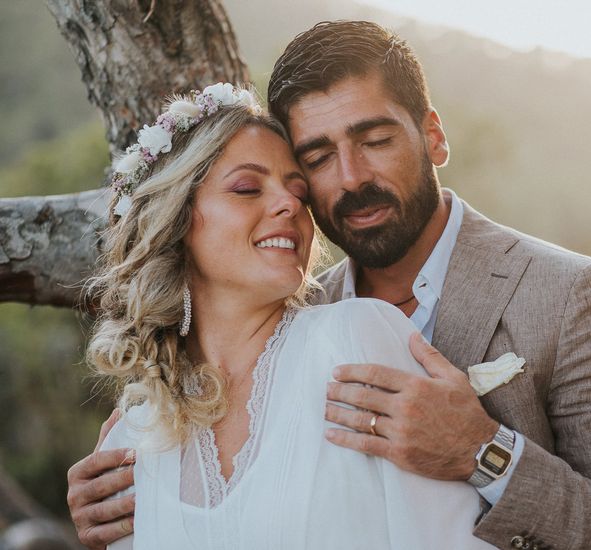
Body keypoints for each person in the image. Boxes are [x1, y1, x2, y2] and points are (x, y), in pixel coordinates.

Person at [68, 21, 591, 550]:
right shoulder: (285, 323)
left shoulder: (575, 297)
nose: (351, 176)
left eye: (375, 140)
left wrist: (484, 451)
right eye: (316, 158)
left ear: (434, 135)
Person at [81, 83, 495, 549]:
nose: (290, 205)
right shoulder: (133, 437)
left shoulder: (354, 341)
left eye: (298, 191)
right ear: (175, 220)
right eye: (247, 188)